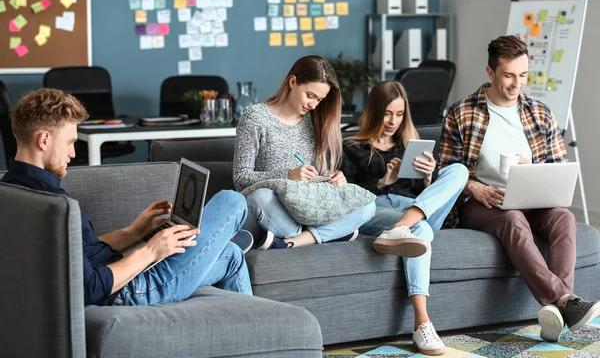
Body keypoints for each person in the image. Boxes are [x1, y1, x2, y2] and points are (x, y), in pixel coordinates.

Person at [2, 88, 252, 306]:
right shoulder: (54, 206)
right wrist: (151, 252)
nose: (72, 152)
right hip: (129, 290)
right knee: (232, 201)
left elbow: (78, 253)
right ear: (44, 139)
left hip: (119, 275)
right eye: (70, 142)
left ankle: (260, 331)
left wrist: (134, 232)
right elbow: (90, 288)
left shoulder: (15, 189)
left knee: (231, 255)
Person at [438, 35, 600, 341]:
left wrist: (534, 171)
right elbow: (441, 172)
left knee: (564, 217)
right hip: (483, 204)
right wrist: (474, 187)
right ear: (490, 72)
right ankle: (566, 301)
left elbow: (558, 166)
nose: (517, 83)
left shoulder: (540, 113)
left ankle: (555, 310)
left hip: (532, 198)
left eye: (523, 75)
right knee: (513, 219)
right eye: (509, 75)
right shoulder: (461, 113)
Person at [341, 81, 468, 355]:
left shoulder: (411, 145)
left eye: (399, 114)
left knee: (458, 171)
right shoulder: (351, 146)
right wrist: (384, 182)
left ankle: (401, 227)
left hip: (413, 208)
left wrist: (428, 178)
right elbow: (345, 201)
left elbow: (430, 195)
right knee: (419, 230)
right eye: (387, 113)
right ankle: (422, 322)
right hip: (376, 208)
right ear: (374, 111)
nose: (393, 121)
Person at [233, 55, 376, 250]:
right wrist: (288, 176)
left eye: (319, 99)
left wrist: (332, 179)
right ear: (293, 82)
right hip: (270, 207)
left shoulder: (315, 122)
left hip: (305, 207)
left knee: (367, 205)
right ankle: (330, 234)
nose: (313, 105)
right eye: (310, 96)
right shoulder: (255, 118)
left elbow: (314, 179)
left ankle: (292, 242)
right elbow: (240, 178)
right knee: (262, 197)